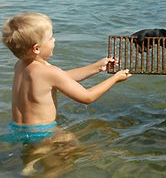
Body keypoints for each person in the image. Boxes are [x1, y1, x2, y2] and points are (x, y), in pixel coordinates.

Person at [1, 12, 132, 144]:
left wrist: (97, 67)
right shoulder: (50, 72)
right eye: (50, 38)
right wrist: (115, 78)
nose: (54, 40)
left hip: (17, 130)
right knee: (74, 152)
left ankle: (29, 164)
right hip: (43, 133)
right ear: (36, 48)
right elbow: (87, 97)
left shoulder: (20, 65)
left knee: (31, 158)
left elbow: (64, 78)